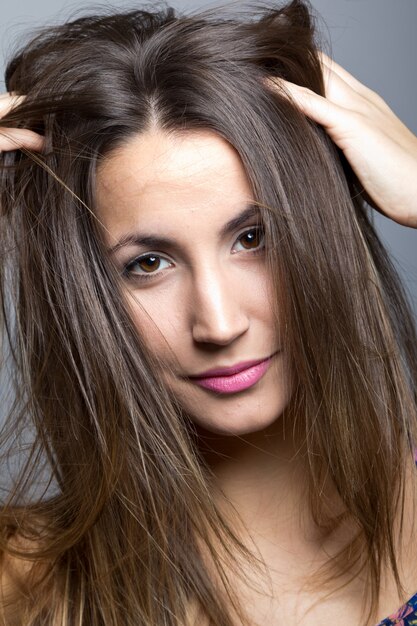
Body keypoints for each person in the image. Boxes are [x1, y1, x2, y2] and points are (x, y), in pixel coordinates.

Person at [0, 1, 416, 624]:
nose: (219, 325)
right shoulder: (21, 582)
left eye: (253, 239)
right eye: (147, 265)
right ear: (84, 289)